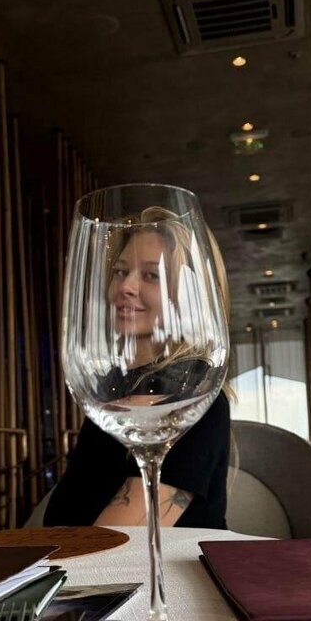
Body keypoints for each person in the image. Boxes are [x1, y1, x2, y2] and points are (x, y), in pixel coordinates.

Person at [44, 208, 232, 529]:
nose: (125, 286)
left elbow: (120, 541)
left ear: (192, 296)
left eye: (151, 275)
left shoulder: (194, 396)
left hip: (150, 564)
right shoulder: (111, 388)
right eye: (120, 271)